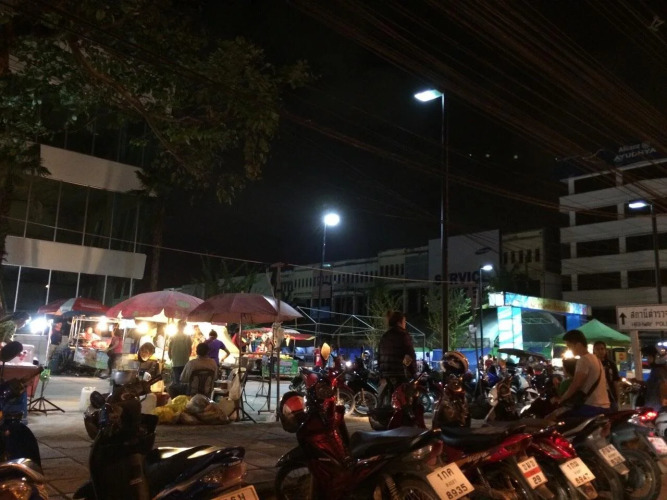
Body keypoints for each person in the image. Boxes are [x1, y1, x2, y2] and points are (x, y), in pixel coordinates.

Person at [555, 329, 610, 416]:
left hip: (592, 406)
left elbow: (576, 384)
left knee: (555, 418)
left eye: (569, 346)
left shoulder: (584, 360)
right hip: (604, 405)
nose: (569, 349)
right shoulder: (595, 358)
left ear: (578, 345)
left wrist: (562, 399)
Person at [377, 311, 416, 405]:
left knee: (388, 400)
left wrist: (381, 372)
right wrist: (413, 371)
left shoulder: (385, 336)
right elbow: (410, 355)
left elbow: (379, 355)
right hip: (399, 373)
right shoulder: (403, 335)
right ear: (399, 322)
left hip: (386, 374)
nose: (405, 324)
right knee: (405, 401)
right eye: (404, 321)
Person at [636, 345, 667, 411]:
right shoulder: (657, 370)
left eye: (649, 356)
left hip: (656, 406)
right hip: (654, 405)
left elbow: (663, 385)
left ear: (657, 357)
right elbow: (652, 384)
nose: (647, 359)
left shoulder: (658, 371)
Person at [593, 341, 621, 411]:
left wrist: (617, 398)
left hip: (610, 395)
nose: (600, 351)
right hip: (596, 397)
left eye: (602, 349)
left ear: (605, 350)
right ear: (594, 351)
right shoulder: (592, 364)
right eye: (597, 349)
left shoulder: (611, 364)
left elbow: (615, 381)